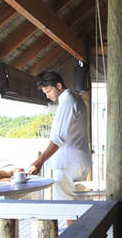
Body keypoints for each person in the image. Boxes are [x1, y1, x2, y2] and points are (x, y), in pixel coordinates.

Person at [28, 71, 91, 199]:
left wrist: (39, 162)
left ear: (58, 86)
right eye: (45, 93)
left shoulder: (68, 102)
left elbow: (58, 139)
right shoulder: (76, 99)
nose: (47, 96)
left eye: (49, 91)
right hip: (76, 162)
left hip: (67, 165)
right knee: (77, 206)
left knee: (68, 209)